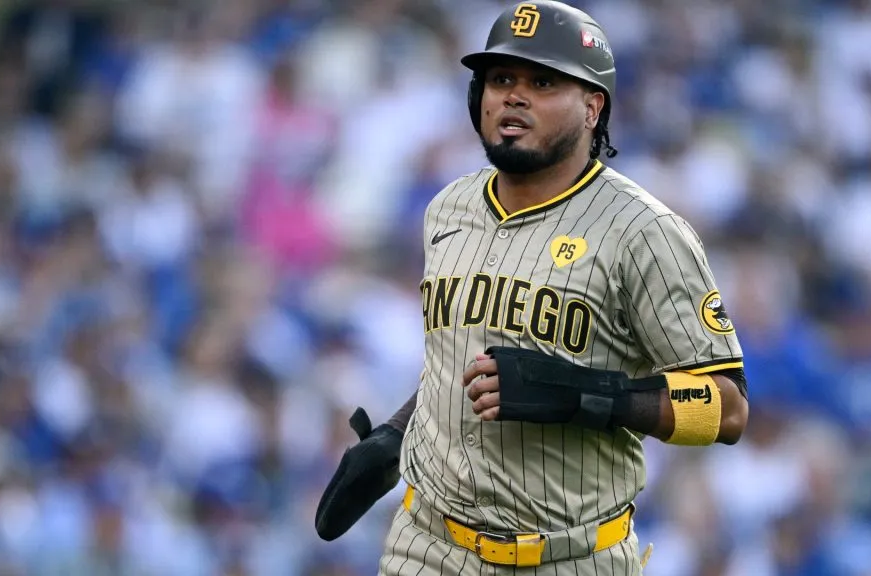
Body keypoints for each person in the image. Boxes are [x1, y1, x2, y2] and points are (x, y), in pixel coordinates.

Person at [314, 2, 750, 573]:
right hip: (427, 546)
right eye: (500, 80)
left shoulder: (644, 234)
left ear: (593, 106)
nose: (513, 96)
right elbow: (461, 355)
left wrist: (589, 396)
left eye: (542, 81)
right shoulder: (449, 208)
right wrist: (396, 433)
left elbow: (728, 410)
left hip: (569, 557)